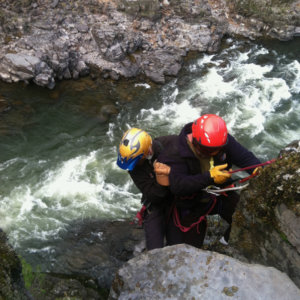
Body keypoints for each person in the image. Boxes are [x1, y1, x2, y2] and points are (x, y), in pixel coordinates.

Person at [156, 114, 261, 248]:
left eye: (216, 150)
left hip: (219, 194)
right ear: (195, 141)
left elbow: (245, 158)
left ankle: (225, 244)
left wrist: (262, 171)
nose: (213, 153)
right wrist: (209, 177)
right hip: (190, 204)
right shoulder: (174, 152)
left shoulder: (221, 140)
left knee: (245, 217)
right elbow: (178, 185)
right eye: (207, 150)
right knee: (188, 250)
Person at [116, 128, 182, 250]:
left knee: (177, 245)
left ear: (147, 151)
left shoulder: (172, 144)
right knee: (154, 250)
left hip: (180, 199)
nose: (135, 165)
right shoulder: (133, 166)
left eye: (137, 160)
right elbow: (152, 194)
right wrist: (162, 180)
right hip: (156, 203)